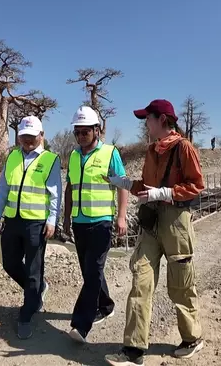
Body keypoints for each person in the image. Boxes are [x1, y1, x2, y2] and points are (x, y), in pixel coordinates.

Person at [104, 99, 205, 365]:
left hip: (176, 223)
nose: (145, 124)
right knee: (141, 280)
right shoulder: (151, 150)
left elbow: (197, 185)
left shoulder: (184, 148)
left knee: (181, 284)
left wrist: (167, 193)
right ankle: (133, 350)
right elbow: (146, 186)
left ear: (162, 120)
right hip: (151, 223)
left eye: (147, 119)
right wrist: (123, 182)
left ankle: (192, 338)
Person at [0, 115, 62, 340]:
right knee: (9, 263)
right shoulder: (12, 156)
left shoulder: (51, 159)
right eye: (24, 136)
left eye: (32, 136)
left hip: (36, 223)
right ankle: (39, 290)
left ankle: (26, 314)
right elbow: (3, 187)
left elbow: (55, 193)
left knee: (33, 271)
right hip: (12, 219)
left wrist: (52, 220)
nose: (28, 140)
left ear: (41, 136)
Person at [63, 106, 129, 343]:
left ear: (97, 130)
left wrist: (121, 217)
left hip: (102, 222)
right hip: (79, 222)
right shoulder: (72, 156)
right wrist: (65, 218)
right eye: (77, 132)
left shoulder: (110, 153)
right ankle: (106, 305)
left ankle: (80, 325)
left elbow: (123, 185)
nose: (81, 136)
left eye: (85, 132)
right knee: (90, 271)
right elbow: (71, 188)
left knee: (92, 274)